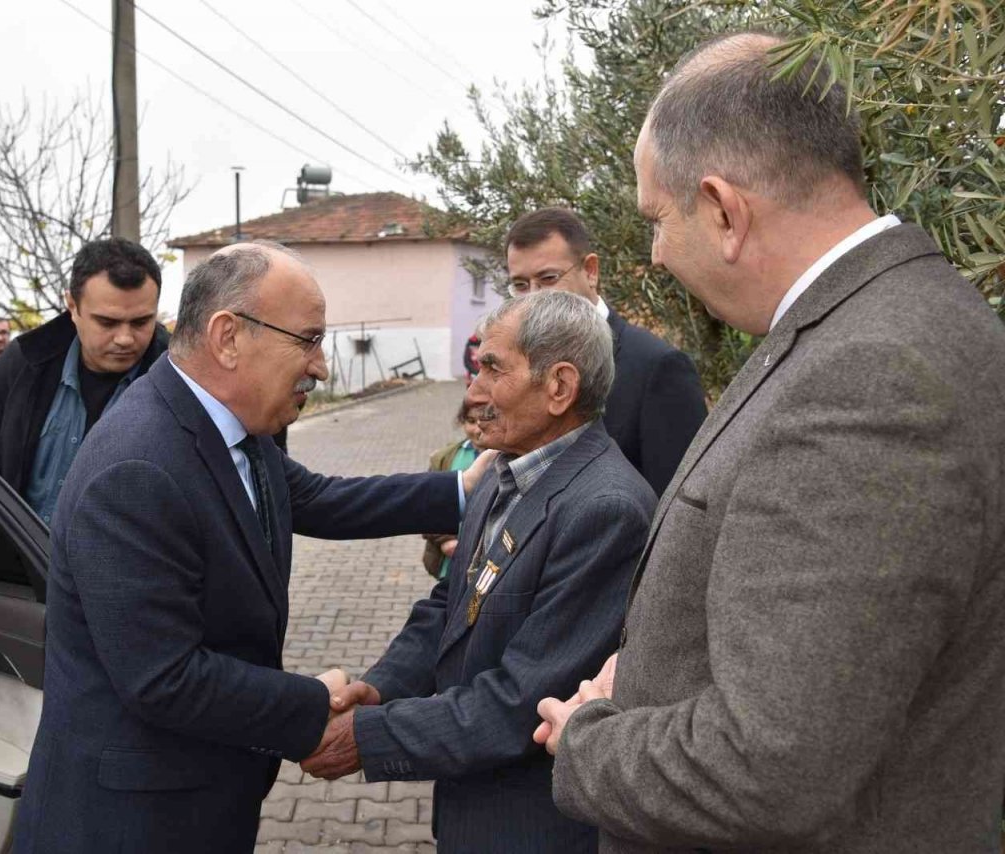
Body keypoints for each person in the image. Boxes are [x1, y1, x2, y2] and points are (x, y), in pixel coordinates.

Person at [536, 32, 1005, 854]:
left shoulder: (873, 376)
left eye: (657, 218)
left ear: (722, 210)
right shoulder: (892, 322)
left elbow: (770, 767)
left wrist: (589, 737)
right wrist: (653, 673)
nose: (654, 251)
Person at [11, 241, 494, 854]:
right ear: (229, 336)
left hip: (201, 791)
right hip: (130, 821)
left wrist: (460, 490)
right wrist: (313, 705)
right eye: (308, 339)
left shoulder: (230, 425)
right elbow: (165, 678)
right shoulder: (135, 468)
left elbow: (316, 499)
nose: (320, 366)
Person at [302, 290, 656, 854]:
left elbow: (522, 702)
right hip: (472, 808)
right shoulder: (503, 469)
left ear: (560, 387)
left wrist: (368, 739)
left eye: (493, 369)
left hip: (533, 826)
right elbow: (449, 606)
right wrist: (382, 687)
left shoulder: (604, 510)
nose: (473, 392)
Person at [0, 237, 170, 523]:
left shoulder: (177, 379)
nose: (124, 338)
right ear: (72, 305)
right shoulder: (26, 360)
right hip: (18, 559)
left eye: (141, 322)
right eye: (106, 322)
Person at [506, 206, 707, 494]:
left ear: (590, 271)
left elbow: (678, 504)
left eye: (548, 279)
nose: (534, 298)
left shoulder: (658, 368)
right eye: (520, 285)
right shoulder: (519, 365)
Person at [420, 399, 484, 579]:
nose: (478, 429)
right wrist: (446, 540)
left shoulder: (507, 456)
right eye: (471, 421)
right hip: (450, 559)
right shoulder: (444, 458)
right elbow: (427, 506)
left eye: (485, 421)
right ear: (461, 421)